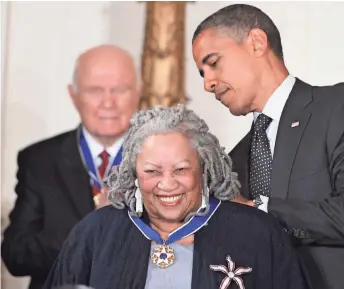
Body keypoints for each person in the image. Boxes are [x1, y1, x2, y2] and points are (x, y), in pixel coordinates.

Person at [43, 104, 310, 289]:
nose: (167, 184)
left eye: (181, 169)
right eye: (152, 171)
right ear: (134, 172)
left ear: (204, 168)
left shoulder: (257, 232)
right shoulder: (94, 233)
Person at [191, 4, 344, 289]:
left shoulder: (336, 108)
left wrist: (258, 211)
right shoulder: (232, 161)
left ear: (257, 43)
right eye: (202, 73)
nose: (208, 84)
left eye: (213, 62)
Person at [1, 44, 141, 289]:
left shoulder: (167, 159)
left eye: (119, 89)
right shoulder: (39, 160)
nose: (108, 102)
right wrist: (86, 235)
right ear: (73, 95)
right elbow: (15, 254)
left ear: (138, 92)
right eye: (95, 90)